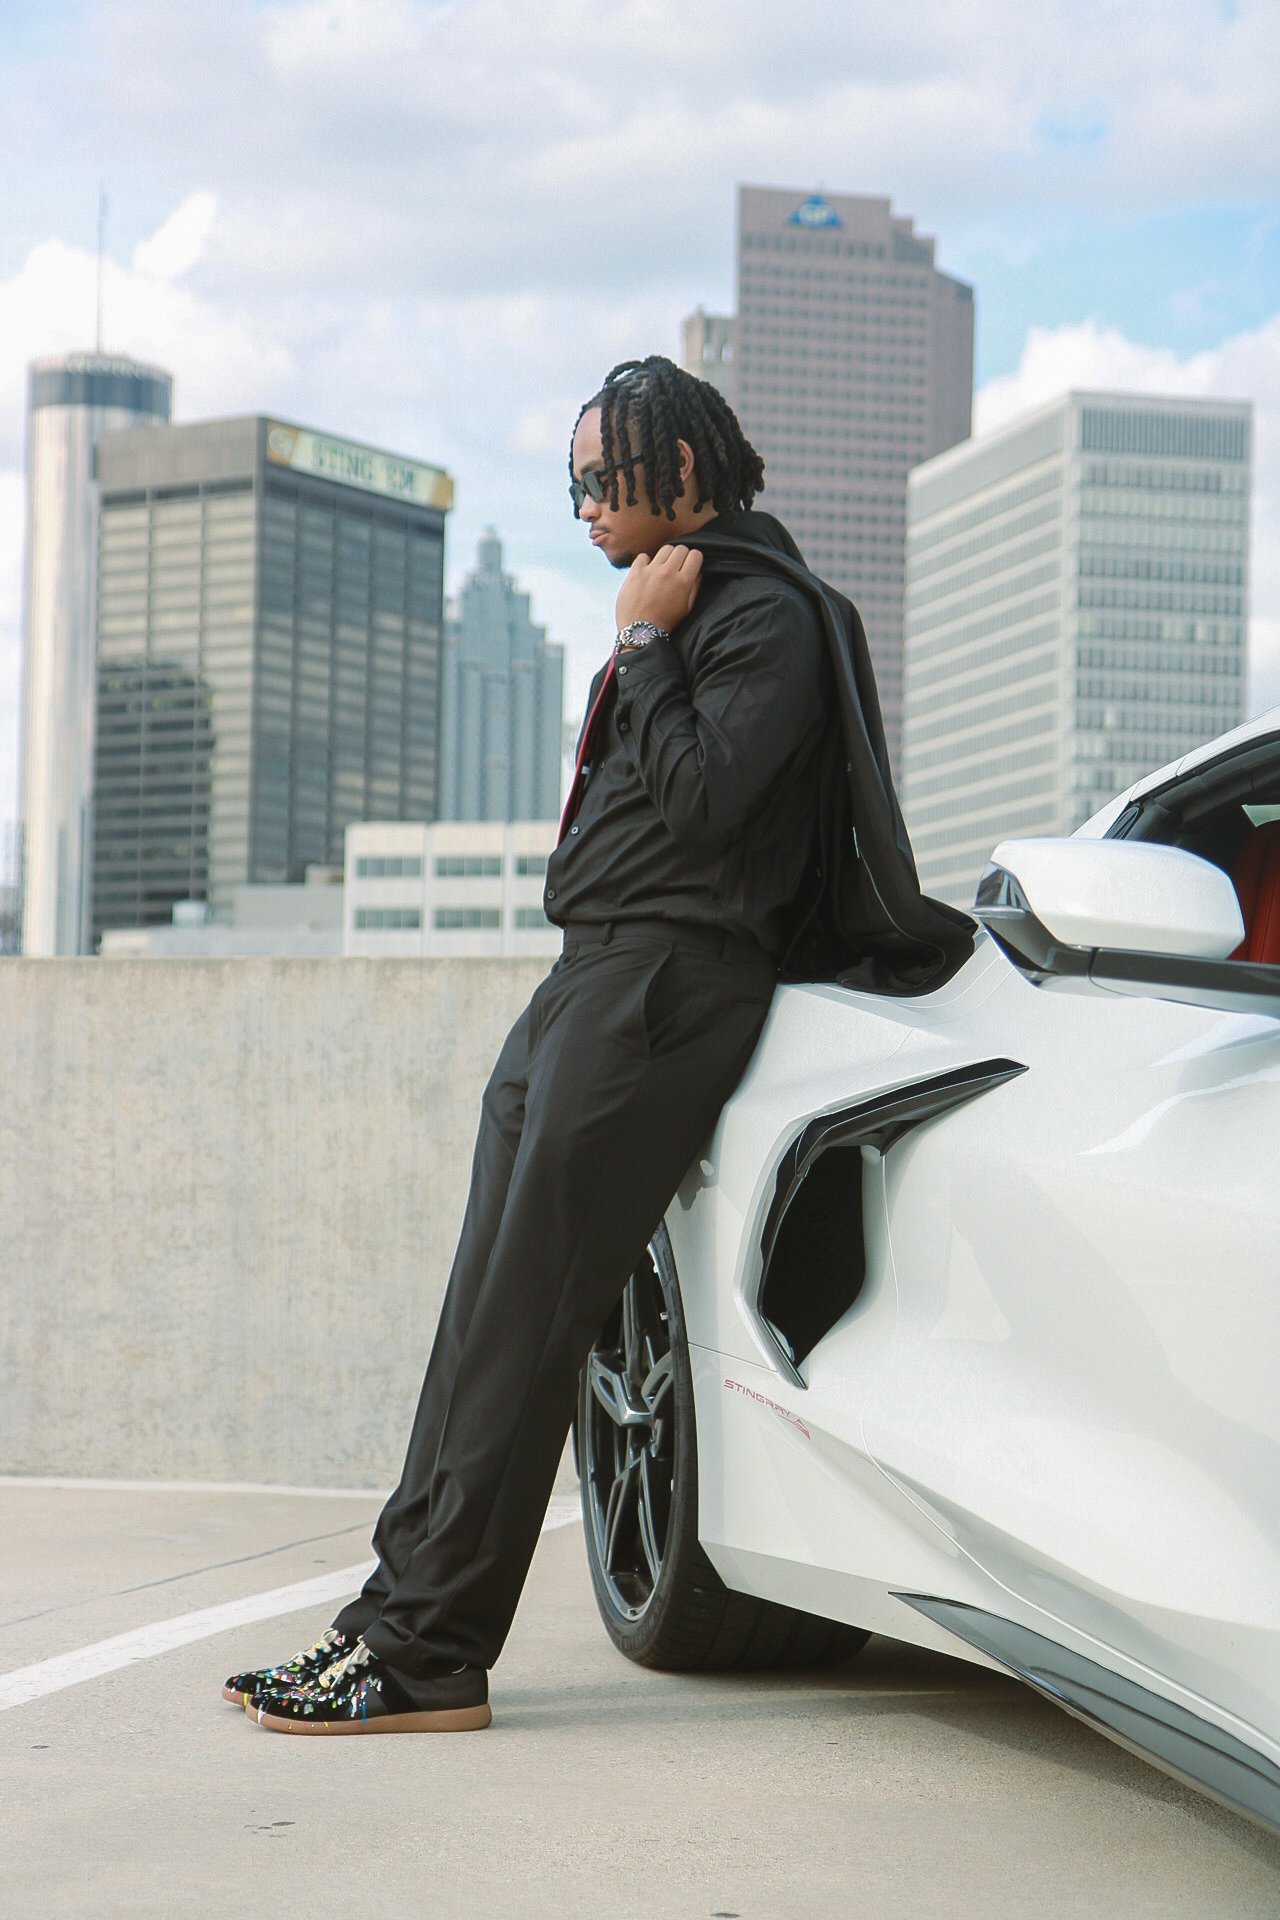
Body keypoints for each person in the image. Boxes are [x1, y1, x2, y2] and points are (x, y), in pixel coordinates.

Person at [223, 355, 968, 1735]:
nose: (580, 505)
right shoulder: (689, 606)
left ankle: (435, 1658)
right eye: (570, 480)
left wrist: (645, 643)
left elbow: (703, 813)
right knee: (475, 1322)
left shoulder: (762, 618)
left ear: (681, 472)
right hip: (589, 975)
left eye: (598, 479)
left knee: (533, 1323)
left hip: (667, 988)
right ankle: (386, 1618)